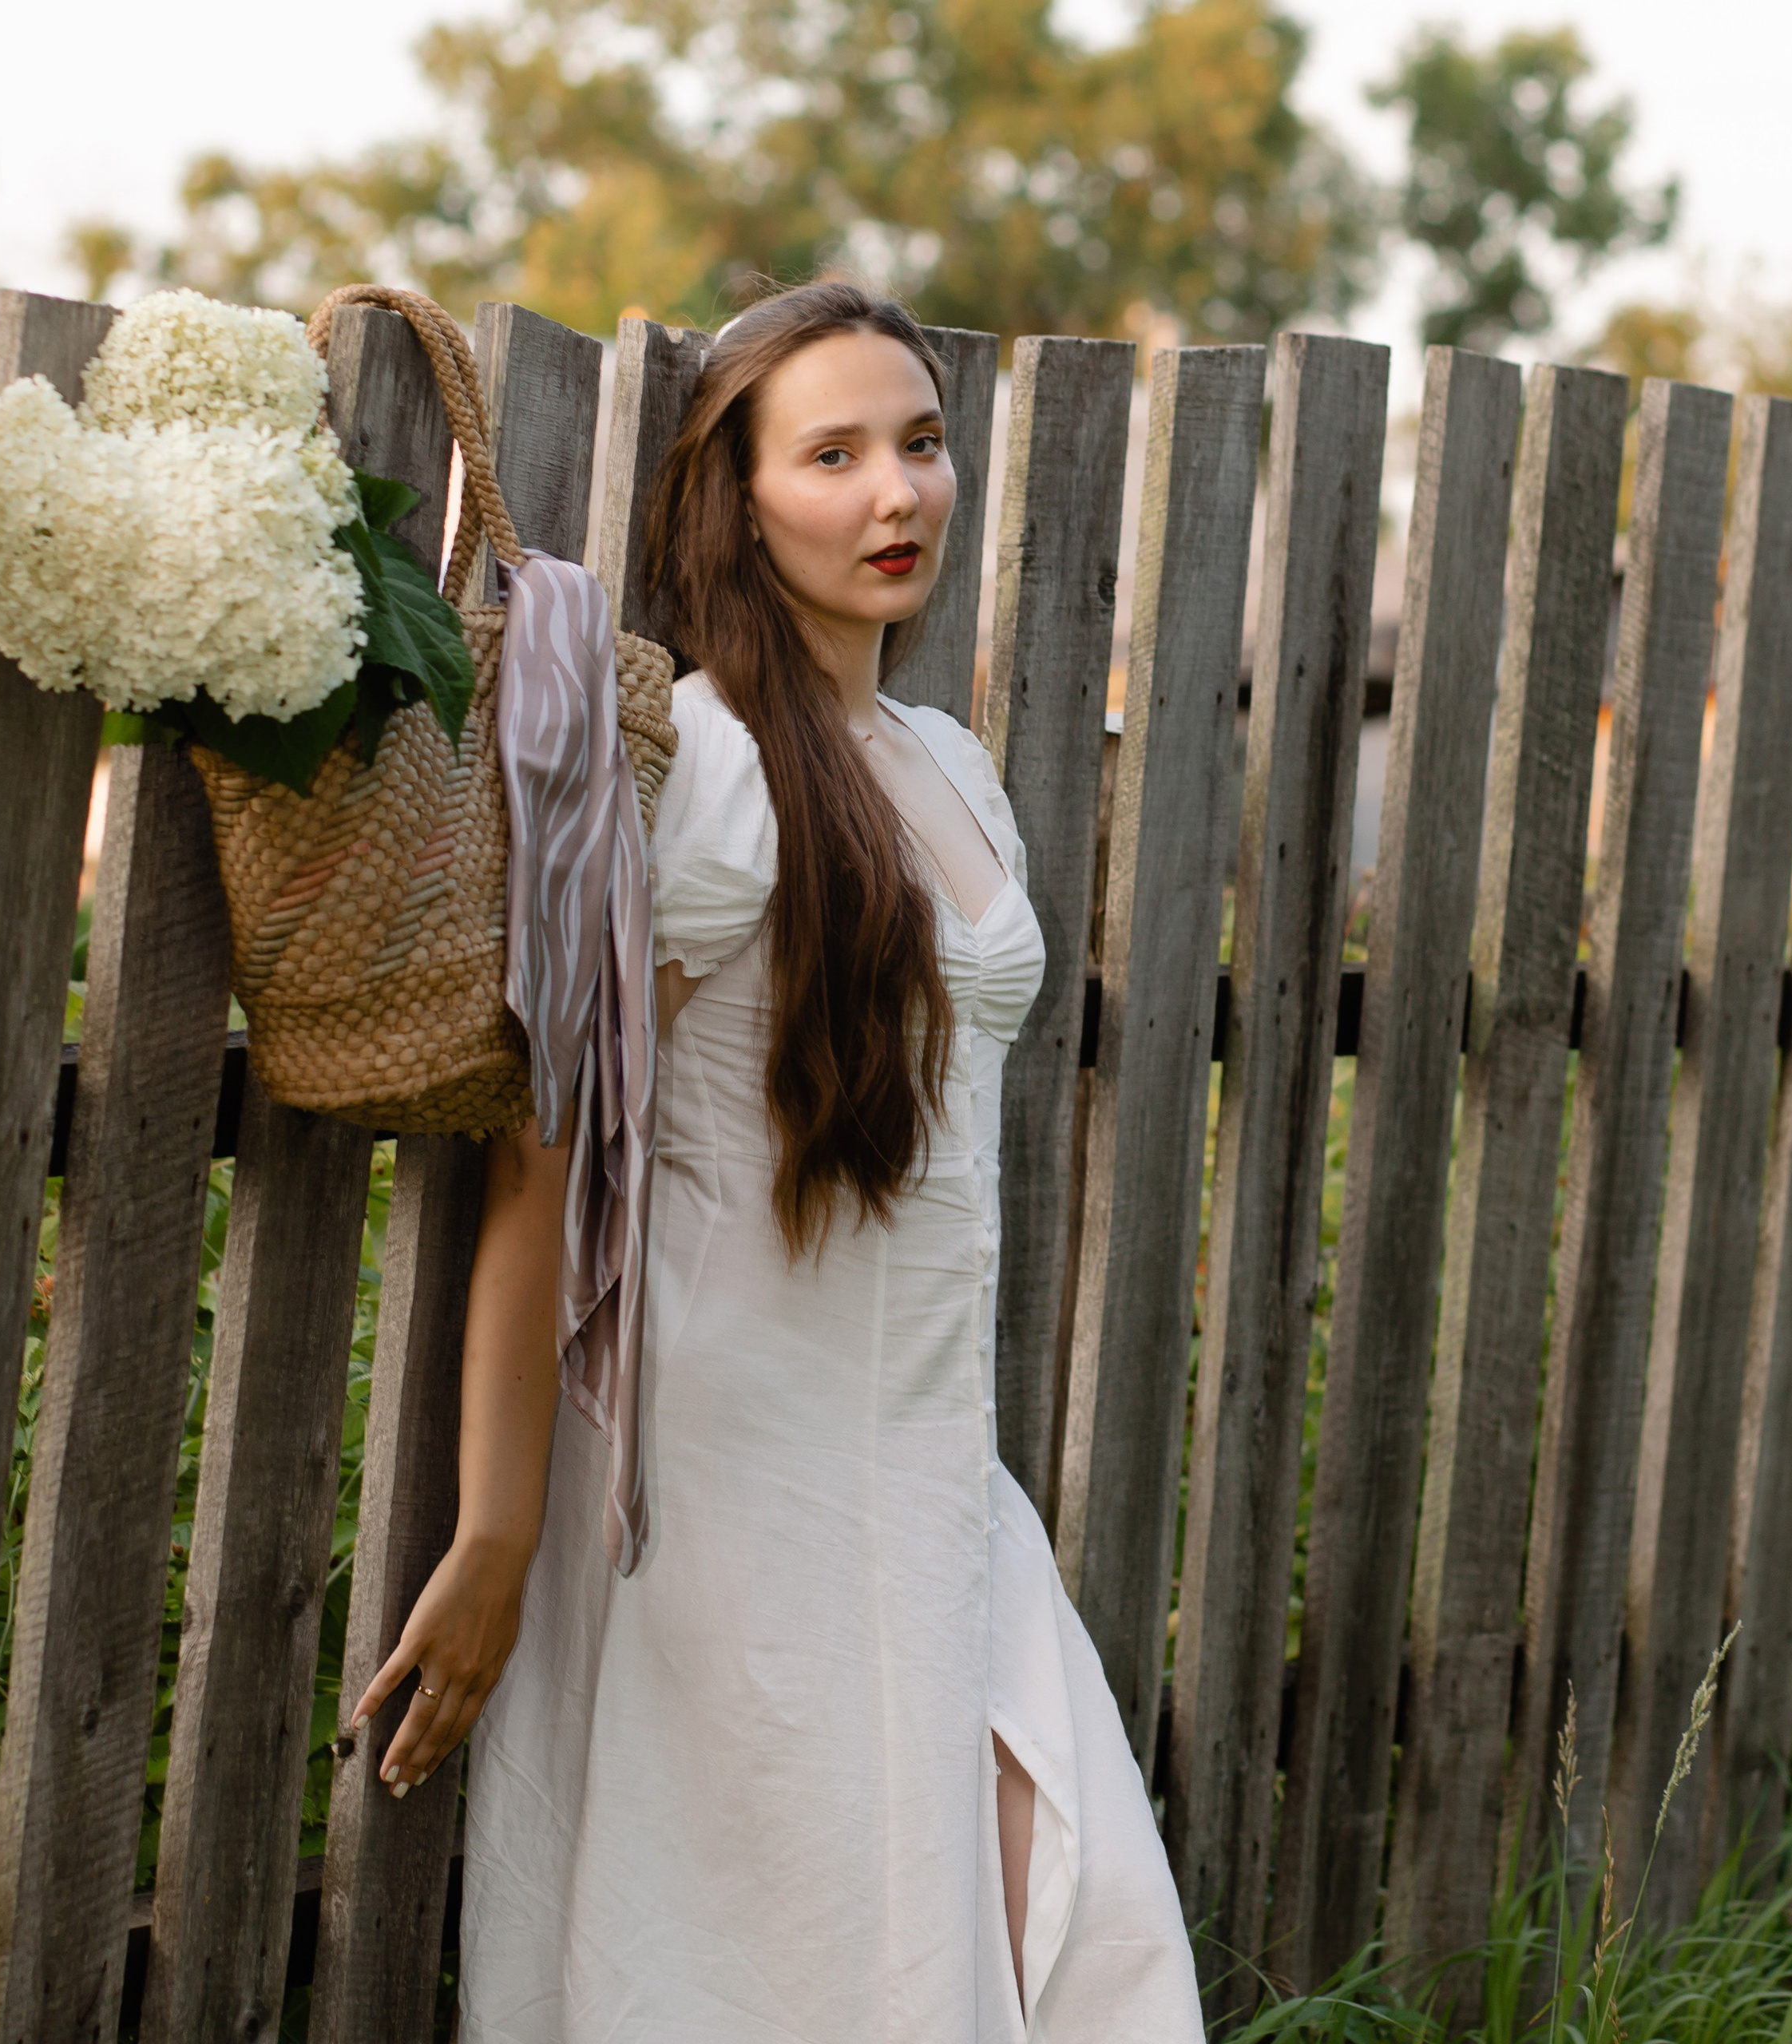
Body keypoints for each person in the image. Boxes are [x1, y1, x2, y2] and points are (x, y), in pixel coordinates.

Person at [349, 280, 1204, 2042]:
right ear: (739, 501)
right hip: (734, 1482)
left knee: (1078, 1914)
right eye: (831, 454)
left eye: (916, 442)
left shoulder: (948, 766)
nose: (895, 493)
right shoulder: (717, 772)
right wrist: (498, 1524)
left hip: (924, 1457)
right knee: (797, 1964)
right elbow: (552, 1152)